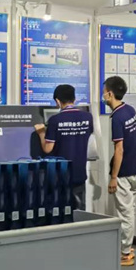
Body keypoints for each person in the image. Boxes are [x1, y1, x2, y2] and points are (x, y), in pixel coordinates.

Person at [34, 84, 94, 212]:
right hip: (79, 172)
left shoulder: (55, 120)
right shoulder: (88, 117)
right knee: (79, 212)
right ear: (74, 99)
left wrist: (41, 133)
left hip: (60, 175)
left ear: (57, 101)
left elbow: (48, 149)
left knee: (60, 211)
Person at [103, 76, 136, 267]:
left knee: (125, 213)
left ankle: (125, 253)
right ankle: (128, 246)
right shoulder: (129, 110)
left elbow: (119, 150)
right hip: (134, 170)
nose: (103, 95)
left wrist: (113, 177)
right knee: (129, 210)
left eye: (104, 92)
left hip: (123, 173)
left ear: (110, 94)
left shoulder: (117, 118)